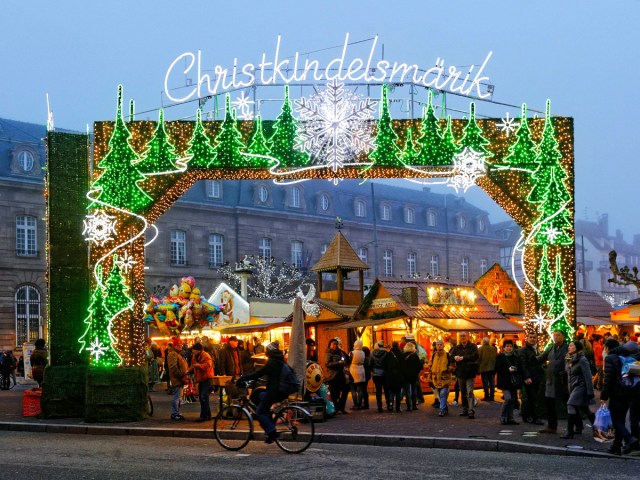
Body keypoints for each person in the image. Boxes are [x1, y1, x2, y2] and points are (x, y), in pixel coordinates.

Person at [236, 341, 288, 443]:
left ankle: (271, 432)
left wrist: (243, 378)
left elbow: (259, 373)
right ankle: (268, 421)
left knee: (259, 413)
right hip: (281, 390)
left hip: (273, 392)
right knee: (259, 395)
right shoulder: (280, 361)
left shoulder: (271, 362)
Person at [601, 338, 640, 455]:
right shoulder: (628, 357)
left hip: (617, 393)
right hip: (629, 392)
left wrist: (604, 395)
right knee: (621, 419)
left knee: (615, 419)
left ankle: (629, 438)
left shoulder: (610, 358)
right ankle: (616, 446)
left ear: (607, 348)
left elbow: (608, 379)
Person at [561, 340, 596, 439]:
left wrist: (590, 391)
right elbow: (568, 374)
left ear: (576, 348)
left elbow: (588, 376)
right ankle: (595, 426)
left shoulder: (582, 359)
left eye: (571, 346)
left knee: (570, 404)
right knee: (584, 408)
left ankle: (569, 431)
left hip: (581, 386)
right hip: (572, 386)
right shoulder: (568, 358)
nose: (569, 347)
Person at [537, 330, 569, 434]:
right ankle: (552, 426)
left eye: (558, 335)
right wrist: (531, 358)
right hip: (551, 380)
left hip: (563, 381)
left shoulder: (568, 347)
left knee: (568, 404)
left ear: (563, 336)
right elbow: (541, 358)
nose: (556, 337)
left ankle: (577, 426)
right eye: (554, 335)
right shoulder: (551, 347)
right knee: (550, 403)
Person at [517, 331, 544, 425]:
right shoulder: (523, 350)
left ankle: (530, 416)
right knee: (530, 398)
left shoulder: (536, 349)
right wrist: (527, 377)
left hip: (536, 377)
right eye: (531, 337)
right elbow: (523, 365)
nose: (532, 339)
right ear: (527, 338)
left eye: (534, 337)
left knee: (533, 397)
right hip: (529, 378)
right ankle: (530, 417)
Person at [451, 332, 479, 419]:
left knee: (469, 392)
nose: (462, 338)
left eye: (464, 336)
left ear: (468, 337)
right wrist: (454, 358)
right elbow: (451, 357)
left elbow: (475, 356)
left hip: (470, 372)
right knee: (463, 392)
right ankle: (465, 409)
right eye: (461, 336)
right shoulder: (456, 348)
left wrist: (463, 358)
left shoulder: (473, 346)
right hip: (460, 373)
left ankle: (471, 410)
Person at [495, 339, 522, 425]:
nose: (509, 348)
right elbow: (497, 369)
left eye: (510, 346)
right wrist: (508, 370)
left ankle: (510, 418)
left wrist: (516, 369)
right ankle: (502, 416)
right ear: (504, 347)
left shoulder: (515, 357)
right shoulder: (500, 357)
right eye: (507, 346)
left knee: (512, 400)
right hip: (504, 381)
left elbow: (519, 366)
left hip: (513, 382)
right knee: (508, 398)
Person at [427, 339, 454, 417]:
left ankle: (441, 410)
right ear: (436, 346)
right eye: (438, 344)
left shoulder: (448, 355)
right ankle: (445, 408)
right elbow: (430, 364)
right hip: (435, 379)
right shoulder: (433, 355)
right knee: (440, 395)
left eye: (440, 344)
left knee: (443, 394)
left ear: (443, 346)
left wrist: (448, 369)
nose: (439, 346)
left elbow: (452, 365)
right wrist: (430, 368)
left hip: (445, 379)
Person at [189, 342, 215, 422]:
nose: (193, 351)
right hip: (200, 379)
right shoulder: (195, 356)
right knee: (203, 397)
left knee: (203, 397)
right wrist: (188, 371)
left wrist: (198, 366)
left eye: (194, 350)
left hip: (206, 378)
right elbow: (193, 365)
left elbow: (207, 366)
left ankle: (204, 416)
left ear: (199, 350)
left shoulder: (206, 355)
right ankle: (207, 415)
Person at [325, 338, 350, 414]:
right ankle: (335, 409)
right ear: (330, 345)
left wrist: (343, 353)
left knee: (345, 391)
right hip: (333, 376)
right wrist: (338, 363)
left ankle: (341, 407)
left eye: (336, 344)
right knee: (335, 393)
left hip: (341, 375)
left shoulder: (340, 352)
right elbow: (328, 364)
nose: (335, 345)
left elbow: (346, 359)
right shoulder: (329, 353)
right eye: (333, 344)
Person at [167, 337, 189, 421]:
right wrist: (181, 375)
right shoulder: (173, 354)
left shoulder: (177, 354)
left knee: (179, 397)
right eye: (178, 345)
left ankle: (176, 412)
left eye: (180, 345)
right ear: (174, 346)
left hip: (180, 378)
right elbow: (173, 368)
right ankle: (174, 413)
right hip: (178, 379)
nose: (180, 346)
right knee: (177, 397)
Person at [385, 341, 406, 413]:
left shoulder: (388, 354)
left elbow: (386, 365)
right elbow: (403, 366)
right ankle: (397, 407)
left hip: (390, 375)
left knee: (391, 391)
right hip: (399, 375)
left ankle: (390, 404)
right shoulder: (401, 354)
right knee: (398, 392)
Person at [403, 342, 422, 411]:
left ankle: (408, 406)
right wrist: (416, 372)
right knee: (414, 390)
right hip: (414, 375)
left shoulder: (403, 355)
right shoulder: (415, 356)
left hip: (405, 376)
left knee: (407, 391)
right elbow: (419, 366)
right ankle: (414, 405)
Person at [371, 340, 389, 412]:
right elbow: (388, 363)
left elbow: (370, 363)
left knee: (378, 390)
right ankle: (388, 405)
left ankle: (379, 406)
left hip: (375, 373)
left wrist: (372, 370)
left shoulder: (372, 353)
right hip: (384, 373)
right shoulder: (386, 353)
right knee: (386, 390)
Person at [478, 337, 497, 402]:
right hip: (492, 368)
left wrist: (478, 369)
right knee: (492, 383)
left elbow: (479, 359)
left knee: (485, 383)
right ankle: (492, 396)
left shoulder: (480, 349)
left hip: (484, 368)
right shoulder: (493, 348)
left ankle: (486, 396)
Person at [349, 340, 366, 410]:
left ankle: (355, 404)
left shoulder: (352, 353)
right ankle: (359, 404)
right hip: (361, 370)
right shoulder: (363, 353)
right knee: (360, 389)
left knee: (353, 389)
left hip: (353, 370)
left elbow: (348, 360)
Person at [361, 345, 371, 410]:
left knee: (363, 389)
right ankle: (366, 403)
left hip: (363, 374)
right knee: (364, 389)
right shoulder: (369, 359)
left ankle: (365, 403)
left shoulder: (363, 359)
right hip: (367, 375)